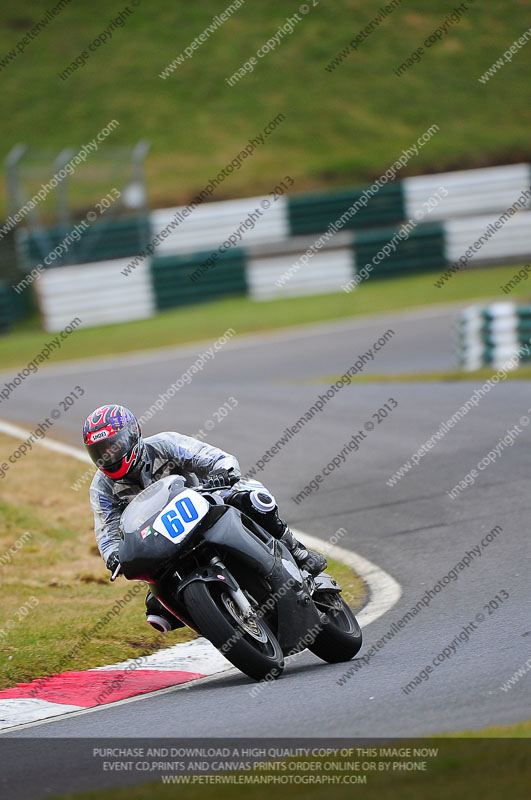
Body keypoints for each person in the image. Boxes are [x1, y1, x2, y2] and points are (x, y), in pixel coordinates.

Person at [83, 404, 327, 634]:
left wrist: (222, 472)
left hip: (203, 508)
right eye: (101, 451)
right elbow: (106, 529)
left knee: (252, 498)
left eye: (114, 446)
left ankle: (299, 553)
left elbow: (209, 456)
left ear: (133, 434)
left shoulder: (164, 444)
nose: (109, 455)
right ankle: (219, 621)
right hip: (161, 540)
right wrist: (113, 555)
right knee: (157, 611)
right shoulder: (101, 487)